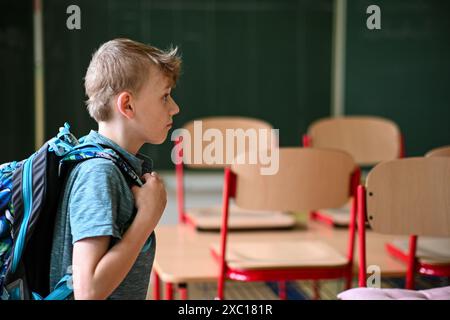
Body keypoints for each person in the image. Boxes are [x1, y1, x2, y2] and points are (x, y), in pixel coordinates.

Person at [49, 38, 181, 299]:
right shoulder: (99, 174)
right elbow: (88, 291)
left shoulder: (114, 166)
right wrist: (147, 217)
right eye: (164, 97)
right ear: (127, 105)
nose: (175, 108)